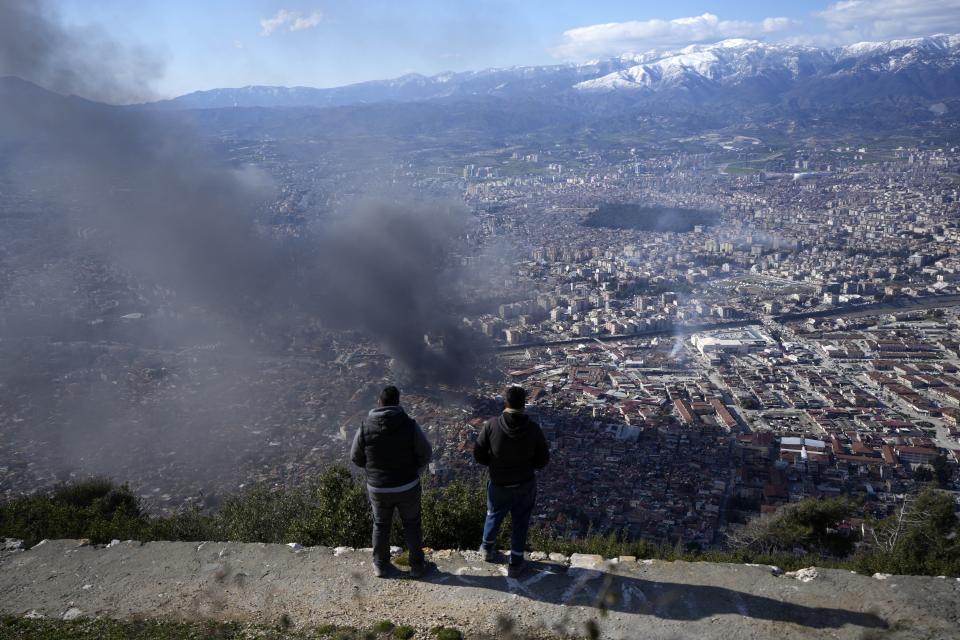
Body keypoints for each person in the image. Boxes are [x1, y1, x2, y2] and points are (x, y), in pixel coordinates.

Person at [351, 385, 432, 578]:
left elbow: (356, 457)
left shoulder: (365, 426)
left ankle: (380, 566)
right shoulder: (409, 424)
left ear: (379, 402)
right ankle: (417, 567)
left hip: (378, 488)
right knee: (412, 524)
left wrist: (372, 471)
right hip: (407, 486)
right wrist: (415, 470)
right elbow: (426, 453)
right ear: (398, 402)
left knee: (380, 524)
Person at [473, 385, 549, 577]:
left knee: (493, 514)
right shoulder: (533, 429)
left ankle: (486, 550)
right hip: (525, 484)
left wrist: (493, 464)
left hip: (499, 483)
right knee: (521, 522)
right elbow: (543, 460)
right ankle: (515, 563)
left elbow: (478, 454)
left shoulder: (491, 425)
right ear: (524, 405)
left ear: (505, 403)